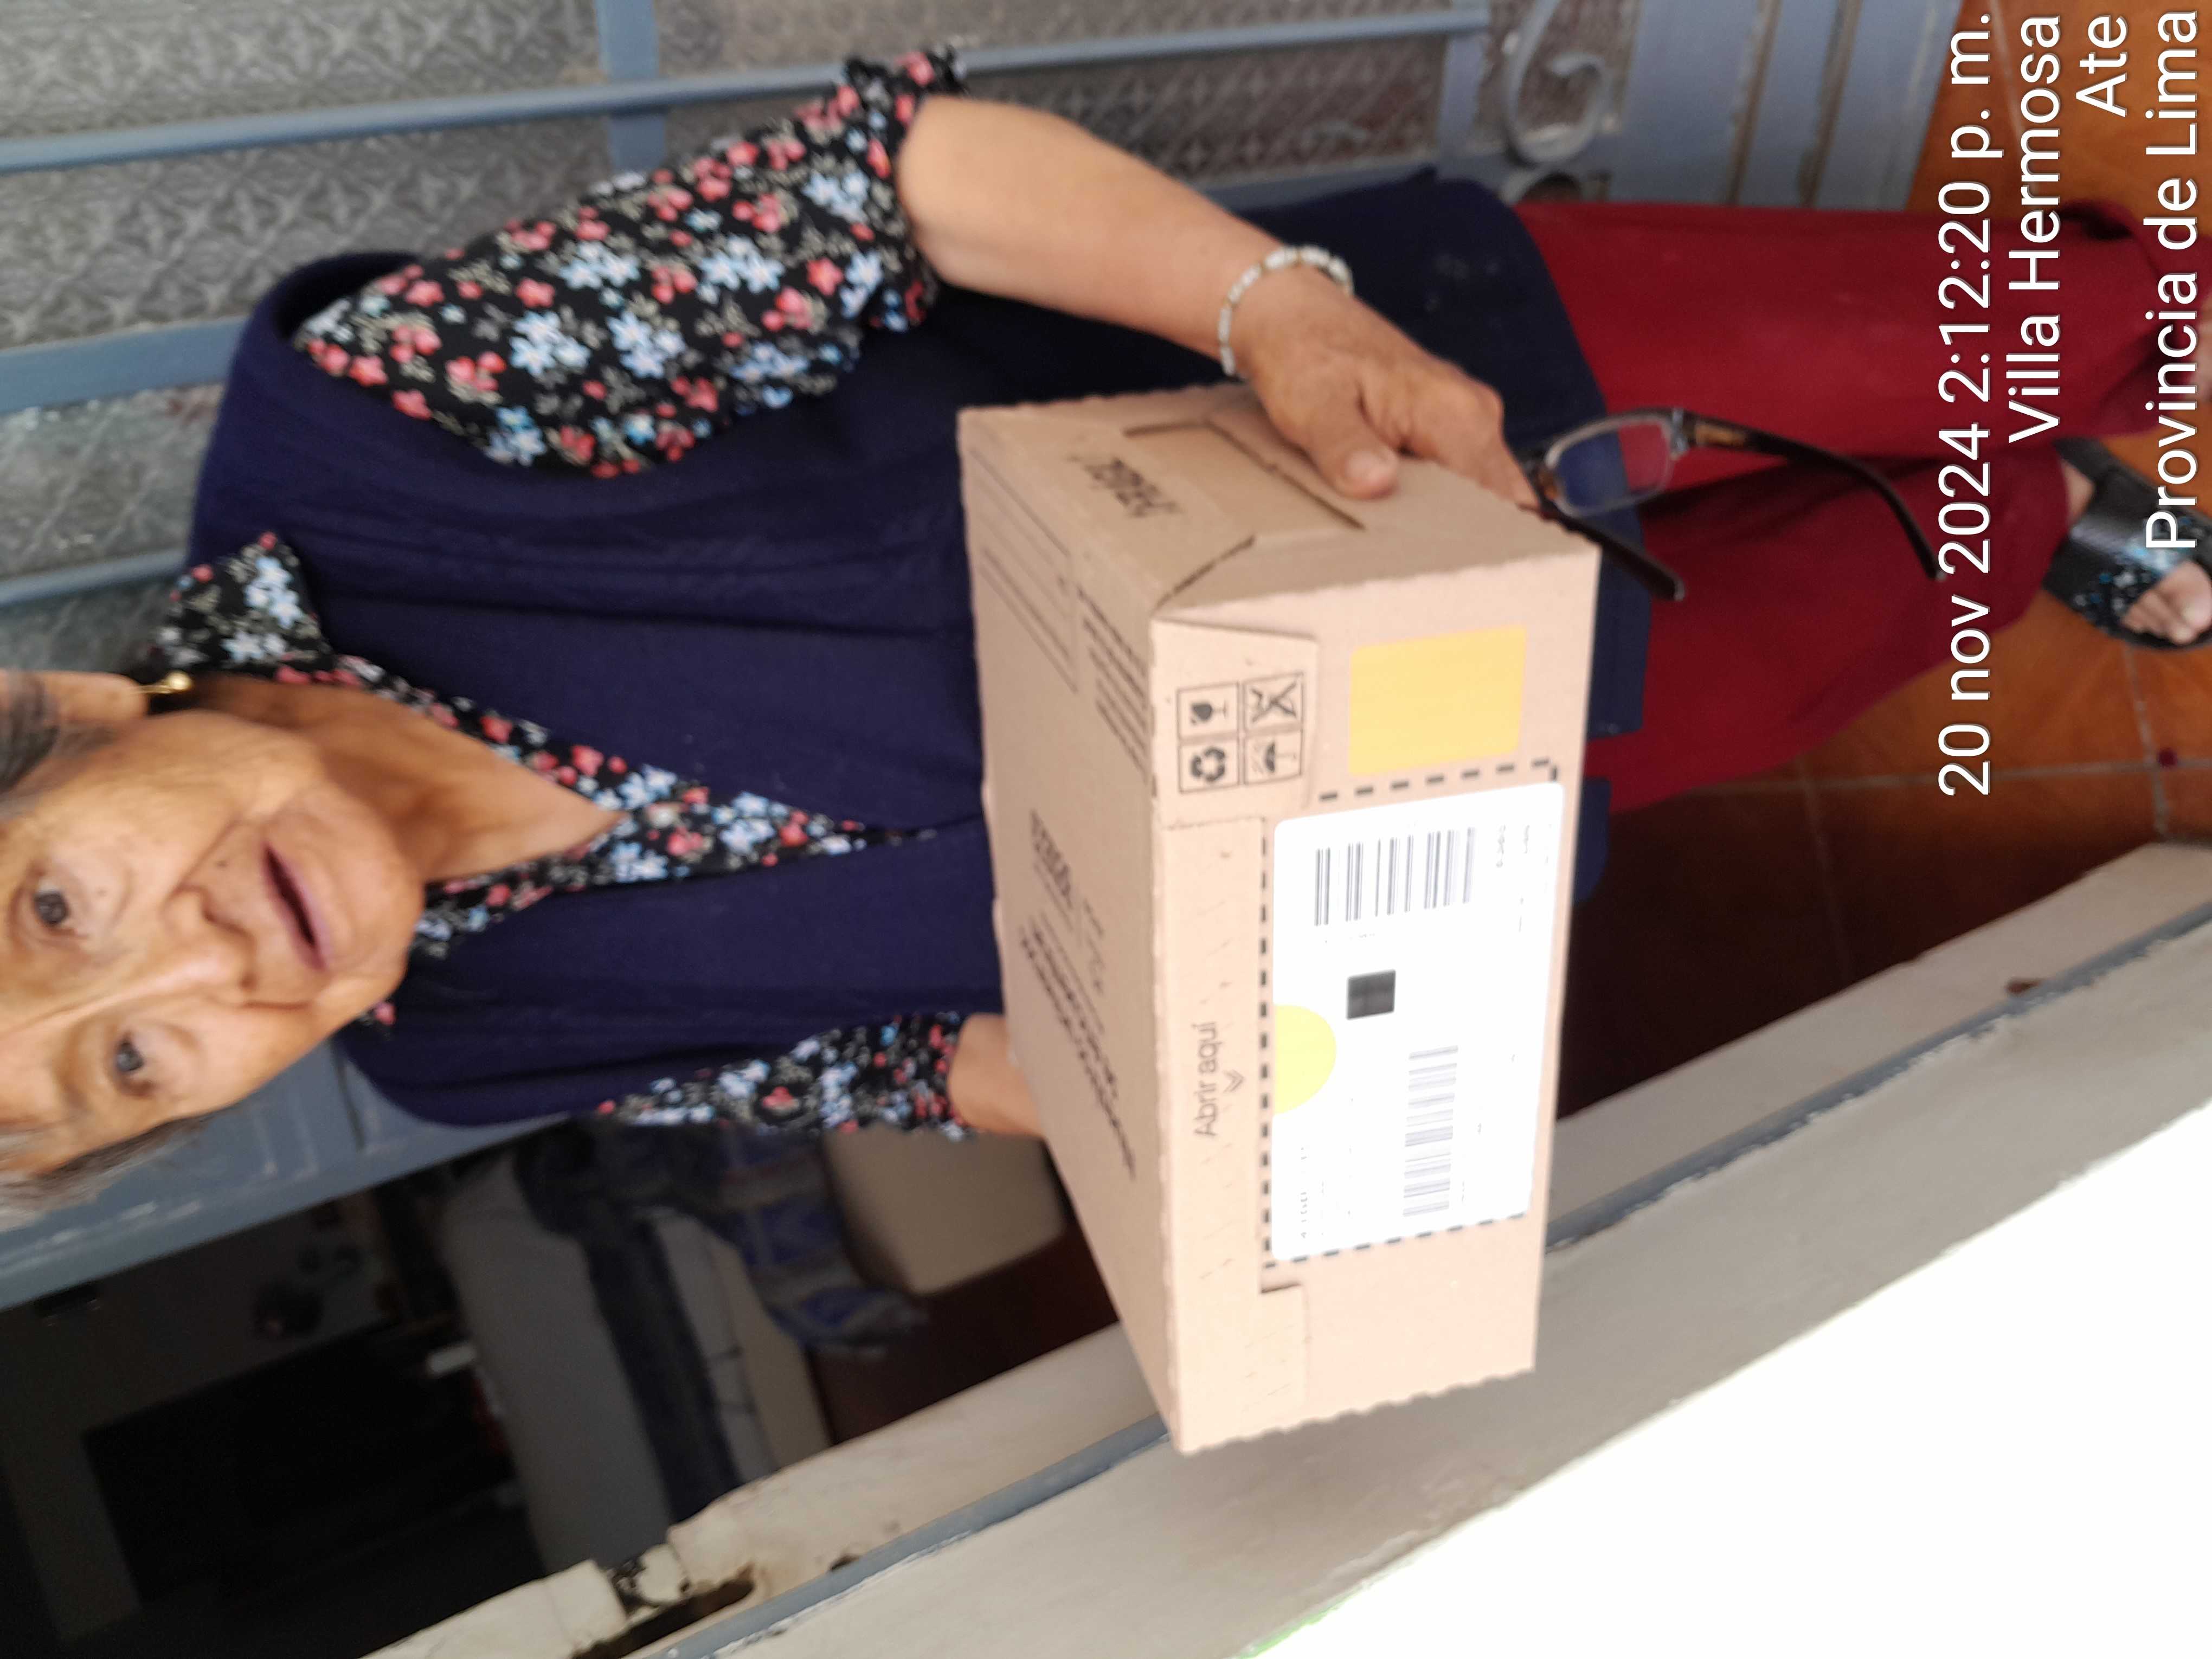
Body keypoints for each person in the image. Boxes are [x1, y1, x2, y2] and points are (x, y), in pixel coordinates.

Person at [1, 47, 2204, 1341]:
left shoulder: (372, 442)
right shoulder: (462, 1040)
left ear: (71, 718)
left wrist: (1278, 313)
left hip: (1391, 399)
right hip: (1401, 785)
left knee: (1956, 343)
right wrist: (1206, 1125)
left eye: (50, 913)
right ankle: (2038, 519)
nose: (195, 968)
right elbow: (889, 1055)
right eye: (121, 1069)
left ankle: (2121, 343)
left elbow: (895, 188)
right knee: (1838, 626)